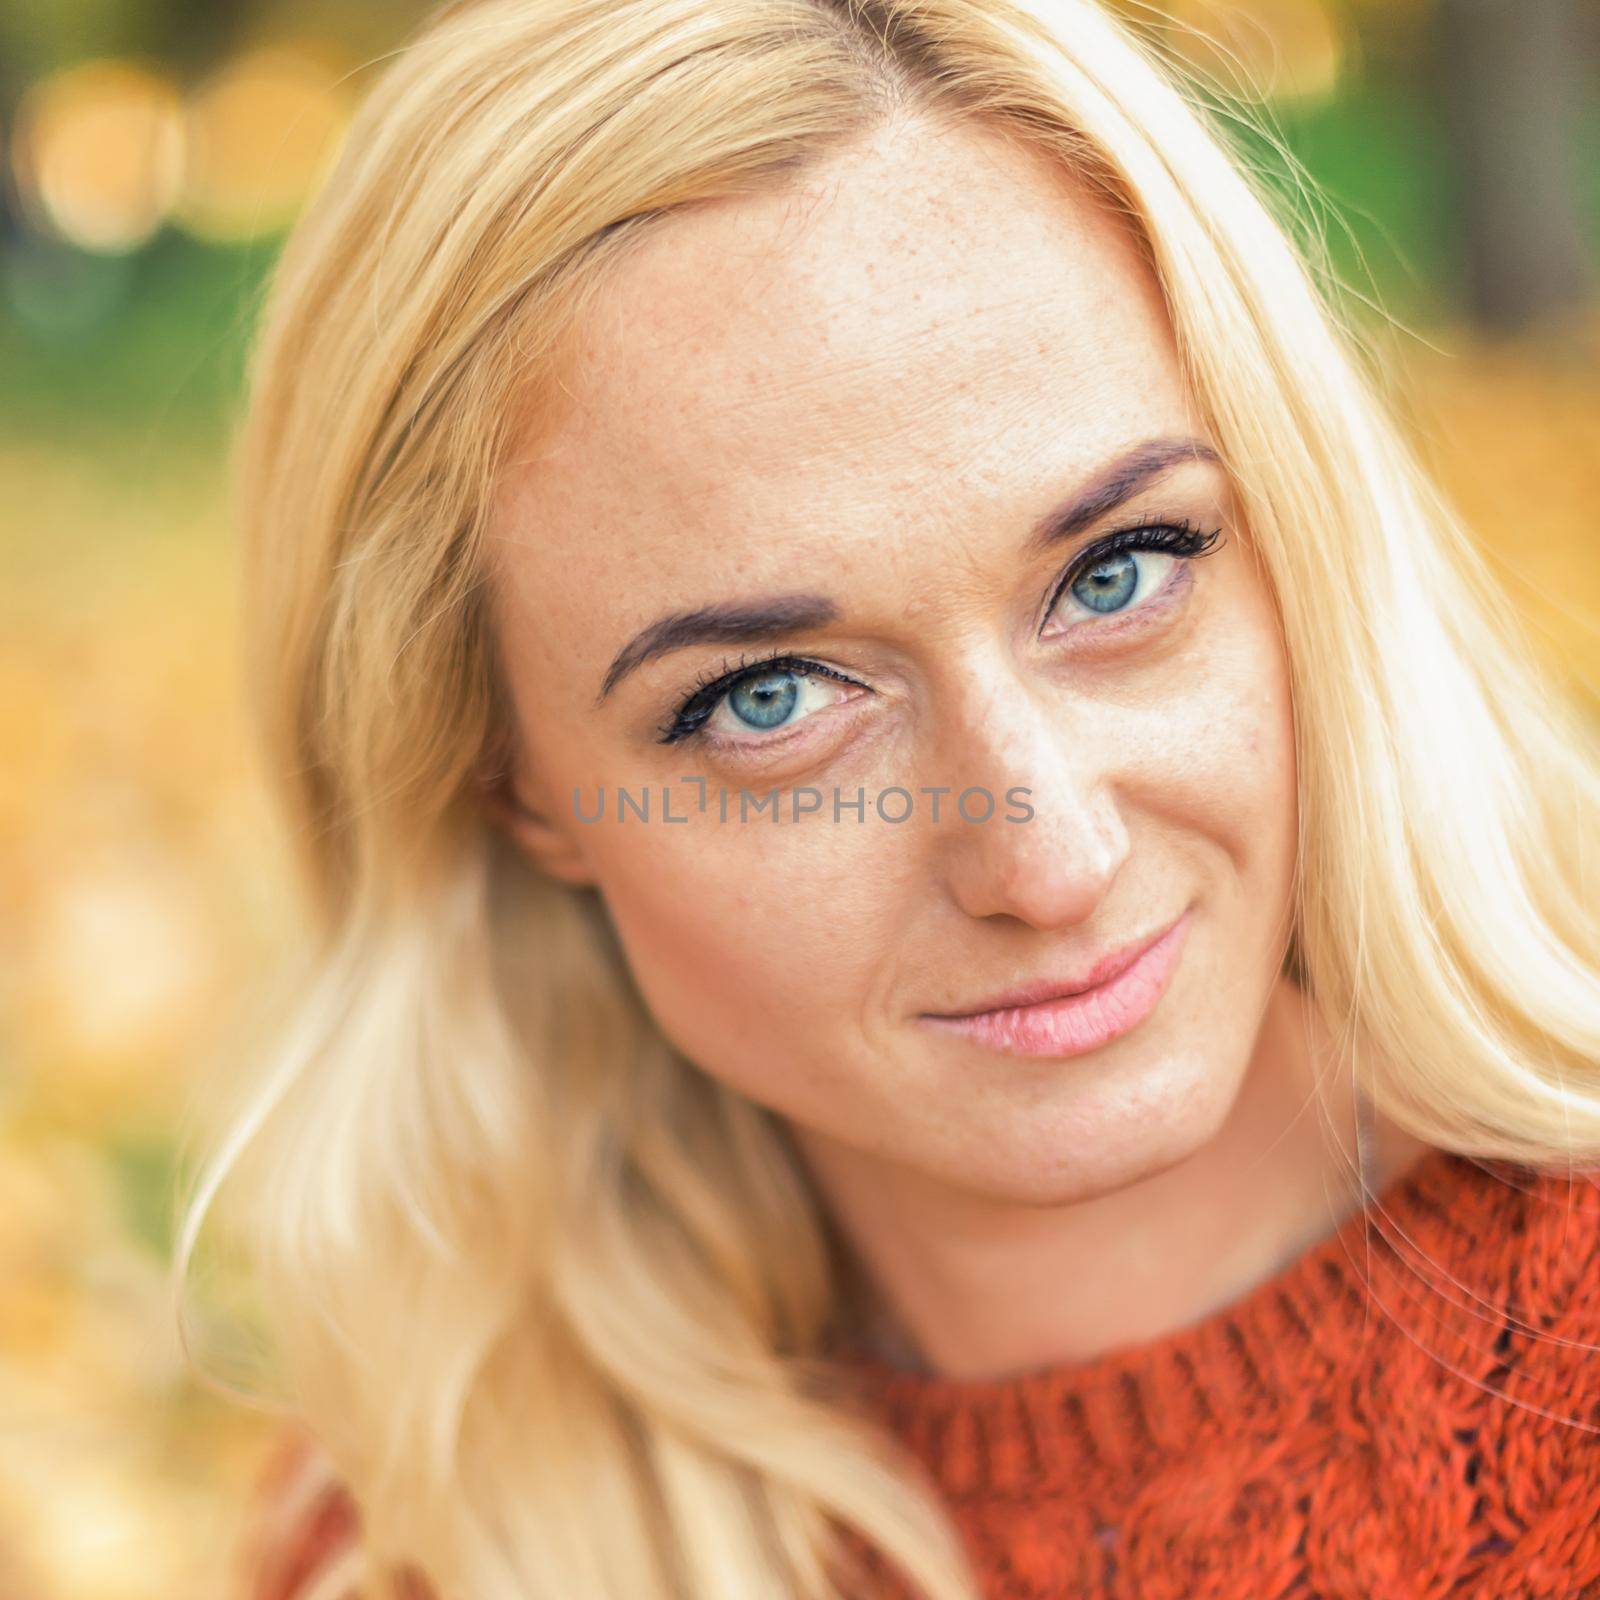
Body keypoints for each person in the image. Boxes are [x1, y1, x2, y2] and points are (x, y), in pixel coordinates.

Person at [175, 1, 1600, 1597]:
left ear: (1294, 534)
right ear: (506, 788)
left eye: (1120, 572)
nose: (1050, 857)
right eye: (771, 698)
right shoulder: (432, 1525)